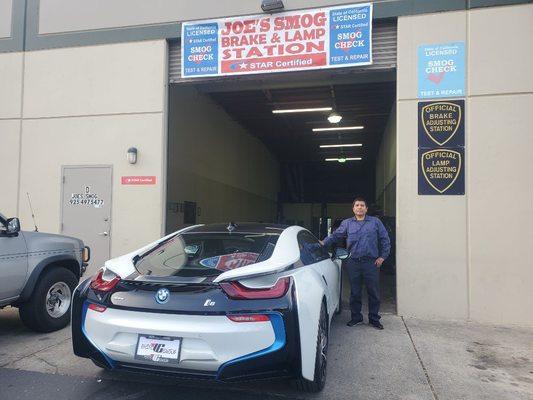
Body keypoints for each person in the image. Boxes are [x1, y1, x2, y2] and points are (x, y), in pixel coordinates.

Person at [321, 197, 391, 329]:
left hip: (372, 263)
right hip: (353, 263)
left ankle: (374, 318)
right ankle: (356, 317)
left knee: (373, 292)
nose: (359, 207)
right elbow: (336, 235)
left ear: (366, 209)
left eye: (362, 205)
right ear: (353, 209)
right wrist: (324, 242)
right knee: (355, 292)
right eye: (357, 205)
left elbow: (385, 240)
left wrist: (382, 257)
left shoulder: (375, 222)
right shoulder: (347, 223)